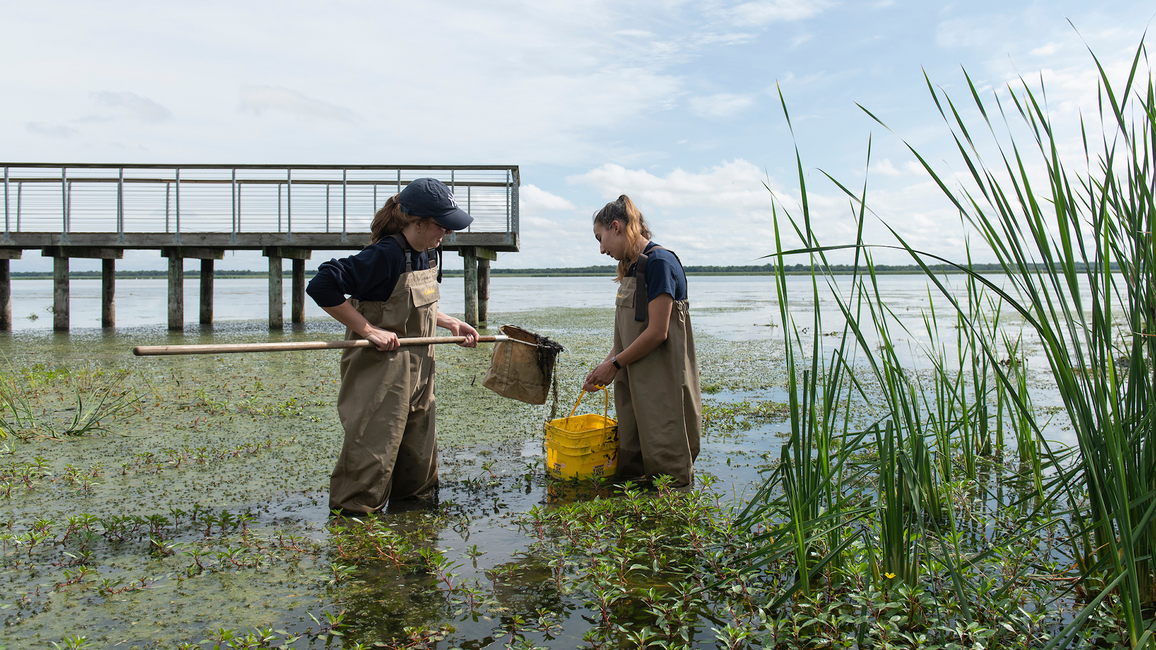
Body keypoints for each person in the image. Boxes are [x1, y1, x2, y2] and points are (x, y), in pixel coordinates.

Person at [307, 177, 478, 516]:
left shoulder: (429, 252)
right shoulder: (385, 255)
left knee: (419, 462)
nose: (447, 232)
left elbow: (416, 303)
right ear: (417, 223)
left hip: (421, 369)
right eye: (441, 225)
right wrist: (367, 329)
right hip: (382, 371)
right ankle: (353, 532)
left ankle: (413, 530)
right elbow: (322, 284)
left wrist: (449, 323)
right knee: (372, 455)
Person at [582, 195, 701, 489]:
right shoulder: (633, 266)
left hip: (661, 379)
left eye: (601, 238)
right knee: (632, 460)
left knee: (667, 467)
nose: (601, 249)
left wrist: (615, 364)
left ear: (616, 226)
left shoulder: (660, 262)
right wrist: (607, 364)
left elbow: (658, 331)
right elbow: (631, 331)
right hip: (633, 375)